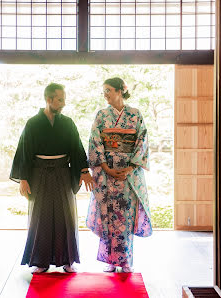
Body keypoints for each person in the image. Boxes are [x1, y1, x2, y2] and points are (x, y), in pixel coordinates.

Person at [10, 83, 94, 274]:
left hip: (63, 172)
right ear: (49, 99)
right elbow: (24, 151)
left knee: (66, 216)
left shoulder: (68, 123)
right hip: (38, 173)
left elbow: (76, 148)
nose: (63, 103)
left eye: (63, 99)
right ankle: (41, 261)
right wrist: (23, 178)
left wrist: (83, 171)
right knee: (41, 217)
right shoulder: (33, 123)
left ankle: (68, 260)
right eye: (60, 99)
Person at [86, 77, 152, 273]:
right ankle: (110, 259)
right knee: (108, 216)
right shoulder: (101, 115)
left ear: (120, 91)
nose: (105, 94)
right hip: (107, 175)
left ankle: (125, 260)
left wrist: (130, 167)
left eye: (108, 90)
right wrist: (105, 168)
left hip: (128, 176)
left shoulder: (135, 114)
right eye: (103, 91)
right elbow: (95, 142)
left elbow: (142, 141)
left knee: (126, 216)